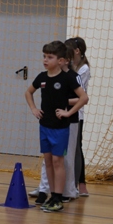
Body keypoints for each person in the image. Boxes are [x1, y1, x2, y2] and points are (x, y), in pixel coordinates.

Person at [25, 41, 89, 213]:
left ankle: (58, 197)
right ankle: (51, 195)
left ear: (61, 61)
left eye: (50, 57)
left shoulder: (67, 78)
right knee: (48, 161)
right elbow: (28, 92)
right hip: (44, 125)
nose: (45, 60)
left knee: (57, 161)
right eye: (44, 56)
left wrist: (69, 112)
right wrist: (33, 108)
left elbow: (84, 98)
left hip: (60, 127)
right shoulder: (42, 77)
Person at [67, 37, 91, 196]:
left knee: (76, 149)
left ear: (77, 51)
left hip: (76, 113)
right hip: (65, 112)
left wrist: (60, 100)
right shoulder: (69, 67)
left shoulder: (83, 69)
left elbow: (81, 96)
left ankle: (79, 184)